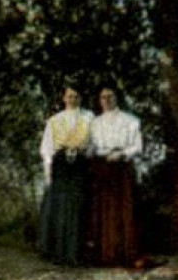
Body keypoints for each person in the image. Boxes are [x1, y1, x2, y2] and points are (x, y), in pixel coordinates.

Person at [86, 87, 143, 268]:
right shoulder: (94, 123)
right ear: (99, 100)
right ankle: (106, 255)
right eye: (103, 97)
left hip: (122, 167)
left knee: (124, 210)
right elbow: (90, 148)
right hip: (102, 167)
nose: (106, 100)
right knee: (104, 211)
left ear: (117, 98)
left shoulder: (130, 120)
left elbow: (138, 147)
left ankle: (126, 254)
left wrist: (121, 154)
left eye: (110, 96)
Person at [38, 87, 93, 266]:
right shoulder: (54, 121)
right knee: (60, 209)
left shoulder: (89, 118)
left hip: (80, 166)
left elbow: (94, 143)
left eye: (76, 96)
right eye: (69, 96)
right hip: (61, 167)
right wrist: (48, 173)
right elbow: (46, 148)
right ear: (64, 98)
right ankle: (59, 253)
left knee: (77, 208)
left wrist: (86, 155)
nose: (73, 100)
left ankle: (76, 253)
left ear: (81, 98)